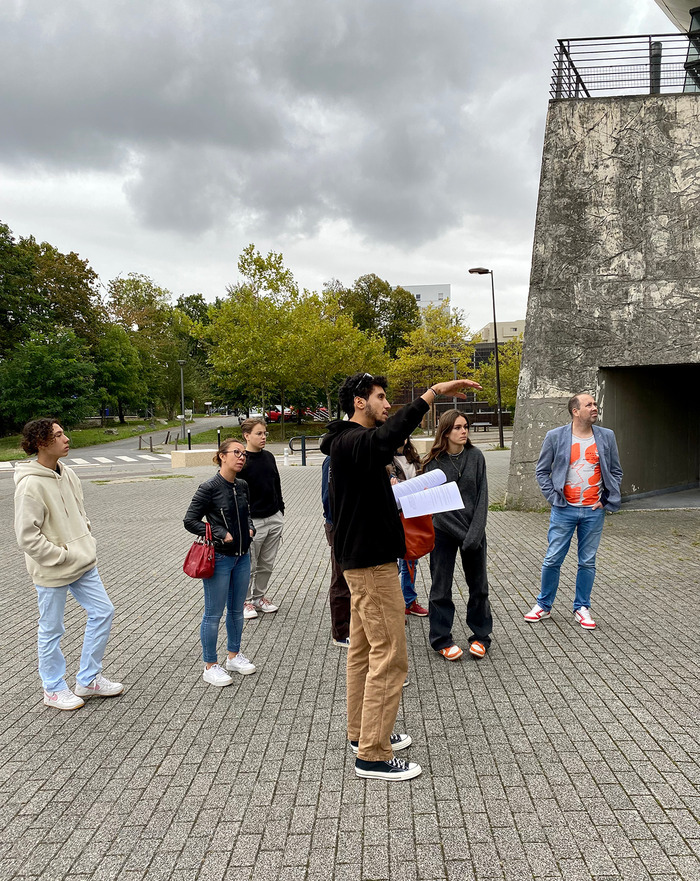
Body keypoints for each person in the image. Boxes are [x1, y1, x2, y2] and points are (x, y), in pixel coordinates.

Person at [320, 372, 481, 781]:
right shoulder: (352, 442)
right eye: (380, 396)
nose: (387, 403)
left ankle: (362, 734)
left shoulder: (350, 446)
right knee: (390, 656)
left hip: (365, 560)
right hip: (371, 566)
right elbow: (386, 435)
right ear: (359, 402)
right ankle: (373, 755)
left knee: (362, 651)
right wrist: (432, 394)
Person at [14, 418, 123, 711]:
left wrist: (84, 539)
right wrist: (60, 555)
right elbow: (27, 537)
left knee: (104, 611)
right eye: (58, 435)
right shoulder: (30, 485)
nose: (66, 439)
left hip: (83, 561)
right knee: (52, 629)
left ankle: (88, 679)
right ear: (41, 443)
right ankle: (52, 688)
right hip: (52, 569)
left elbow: (80, 512)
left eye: (64, 433)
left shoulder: (68, 473)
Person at [524, 393, 623, 629]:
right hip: (564, 509)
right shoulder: (556, 436)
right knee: (552, 559)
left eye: (595, 404)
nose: (594, 408)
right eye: (589, 405)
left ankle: (582, 607)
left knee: (587, 562)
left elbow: (616, 472)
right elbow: (541, 471)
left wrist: (606, 500)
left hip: (593, 511)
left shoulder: (606, 436)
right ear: (575, 411)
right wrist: (553, 497)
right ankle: (544, 605)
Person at [184, 437, 256, 686]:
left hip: (242, 557)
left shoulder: (243, 485)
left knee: (237, 610)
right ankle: (210, 665)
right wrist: (219, 532)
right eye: (236, 452)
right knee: (213, 614)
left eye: (244, 454)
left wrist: (249, 528)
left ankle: (234, 656)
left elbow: (247, 513)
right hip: (221, 559)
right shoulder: (209, 487)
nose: (241, 457)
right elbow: (190, 520)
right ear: (222, 456)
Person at [423, 411, 492, 661]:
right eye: (458, 428)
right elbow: (436, 508)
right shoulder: (433, 462)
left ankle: (481, 636)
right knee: (440, 586)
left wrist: (474, 533)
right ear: (445, 432)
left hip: (474, 532)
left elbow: (483, 497)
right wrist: (462, 533)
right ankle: (441, 639)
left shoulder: (476, 457)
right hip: (443, 533)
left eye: (466, 426)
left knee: (479, 587)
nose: (464, 431)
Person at [240, 417, 284, 619]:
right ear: (246, 436)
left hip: (273, 517)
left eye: (265, 433)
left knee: (267, 563)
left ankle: (259, 598)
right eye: (259, 433)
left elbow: (276, 484)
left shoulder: (268, 457)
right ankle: (245, 601)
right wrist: (244, 520)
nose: (263, 437)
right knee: (250, 564)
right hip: (253, 521)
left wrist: (280, 510)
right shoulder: (241, 460)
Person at [389, 440, 428, 617]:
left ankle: (409, 601)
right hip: (394, 516)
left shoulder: (414, 457)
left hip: (413, 514)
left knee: (411, 560)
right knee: (392, 563)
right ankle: (394, 604)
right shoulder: (386, 460)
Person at [322, 455, 352, 647]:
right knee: (340, 578)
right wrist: (336, 523)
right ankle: (340, 632)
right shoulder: (333, 459)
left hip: (354, 524)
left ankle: (353, 625)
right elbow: (327, 497)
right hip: (339, 525)